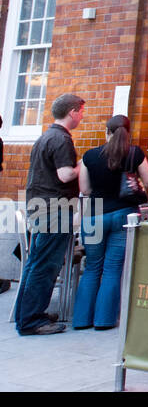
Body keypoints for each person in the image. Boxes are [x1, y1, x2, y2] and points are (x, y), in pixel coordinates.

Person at [15, 93, 84, 335]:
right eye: (81, 112)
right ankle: (32, 321)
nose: (82, 116)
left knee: (35, 264)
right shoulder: (62, 140)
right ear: (72, 112)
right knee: (45, 266)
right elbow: (65, 175)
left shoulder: (45, 136)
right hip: (54, 210)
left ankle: (25, 315)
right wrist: (83, 164)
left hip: (40, 207)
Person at [72, 114, 148, 329]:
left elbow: (85, 190)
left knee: (92, 267)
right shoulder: (135, 153)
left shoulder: (90, 156)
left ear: (107, 132)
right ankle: (104, 320)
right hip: (124, 213)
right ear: (128, 132)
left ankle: (80, 320)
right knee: (113, 267)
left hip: (95, 213)